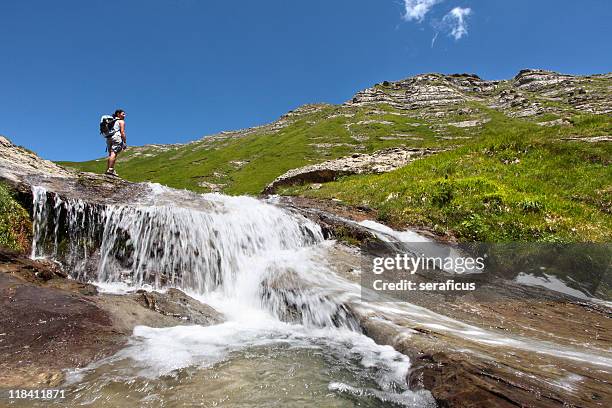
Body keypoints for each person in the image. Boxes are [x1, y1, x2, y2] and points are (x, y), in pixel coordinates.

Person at [105, 109, 127, 176]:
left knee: (111, 154)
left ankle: (108, 169)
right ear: (118, 114)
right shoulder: (121, 121)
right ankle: (111, 169)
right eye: (123, 114)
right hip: (116, 137)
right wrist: (125, 142)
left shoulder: (112, 121)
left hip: (109, 138)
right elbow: (122, 132)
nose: (125, 115)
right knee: (114, 153)